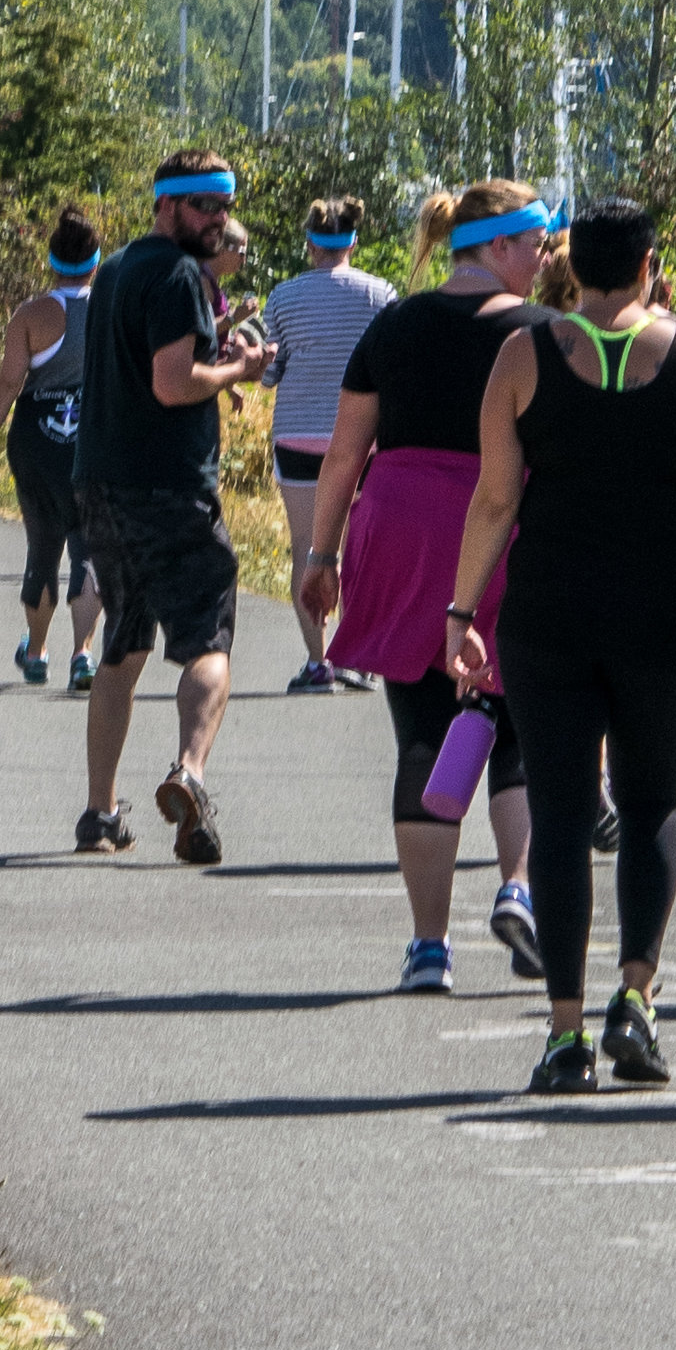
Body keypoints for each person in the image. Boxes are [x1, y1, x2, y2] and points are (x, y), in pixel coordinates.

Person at [447, 197, 676, 1094]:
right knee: (654, 803)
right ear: (653, 262)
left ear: (568, 266)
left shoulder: (523, 355)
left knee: (564, 810)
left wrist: (459, 611)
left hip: (547, 615)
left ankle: (565, 1033)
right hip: (659, 611)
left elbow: (495, 501)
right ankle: (637, 1000)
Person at [296, 181, 557, 990]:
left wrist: (320, 553)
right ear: (503, 246)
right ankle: (519, 889)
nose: (546, 261)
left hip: (401, 527)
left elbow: (344, 452)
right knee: (515, 730)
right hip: (504, 521)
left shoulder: (394, 324)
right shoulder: (542, 335)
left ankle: (429, 947)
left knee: (422, 732)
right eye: (539, 245)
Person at [71, 150, 265, 861]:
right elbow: (172, 383)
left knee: (122, 643)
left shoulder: (118, 268)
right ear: (167, 204)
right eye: (204, 205)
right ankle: (189, 771)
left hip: (101, 480)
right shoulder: (181, 275)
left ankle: (100, 813)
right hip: (169, 484)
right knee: (207, 638)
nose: (218, 218)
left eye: (224, 205)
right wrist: (239, 368)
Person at [0, 208, 107, 691]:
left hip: (38, 440)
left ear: (52, 260)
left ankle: (38, 648)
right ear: (95, 259)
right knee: (89, 548)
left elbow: (9, 382)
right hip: (96, 437)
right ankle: (83, 653)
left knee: (43, 547)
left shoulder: (31, 314)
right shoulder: (112, 306)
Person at [263, 195, 396, 692]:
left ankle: (317, 662)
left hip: (298, 433)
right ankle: (355, 658)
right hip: (364, 437)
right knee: (357, 546)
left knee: (309, 548)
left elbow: (271, 373)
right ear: (353, 242)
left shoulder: (284, 297)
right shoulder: (380, 293)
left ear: (309, 243)